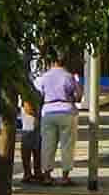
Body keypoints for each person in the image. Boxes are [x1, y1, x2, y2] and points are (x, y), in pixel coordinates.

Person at [35, 54, 84, 185]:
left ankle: (47, 176)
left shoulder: (44, 77)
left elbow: (38, 96)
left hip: (48, 111)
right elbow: (78, 96)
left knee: (47, 144)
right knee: (67, 144)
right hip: (67, 111)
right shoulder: (68, 76)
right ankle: (65, 176)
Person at [18, 94, 44, 185]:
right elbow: (27, 106)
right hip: (30, 121)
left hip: (34, 118)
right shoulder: (29, 87)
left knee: (37, 147)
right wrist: (37, 116)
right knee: (28, 147)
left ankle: (36, 172)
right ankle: (28, 173)